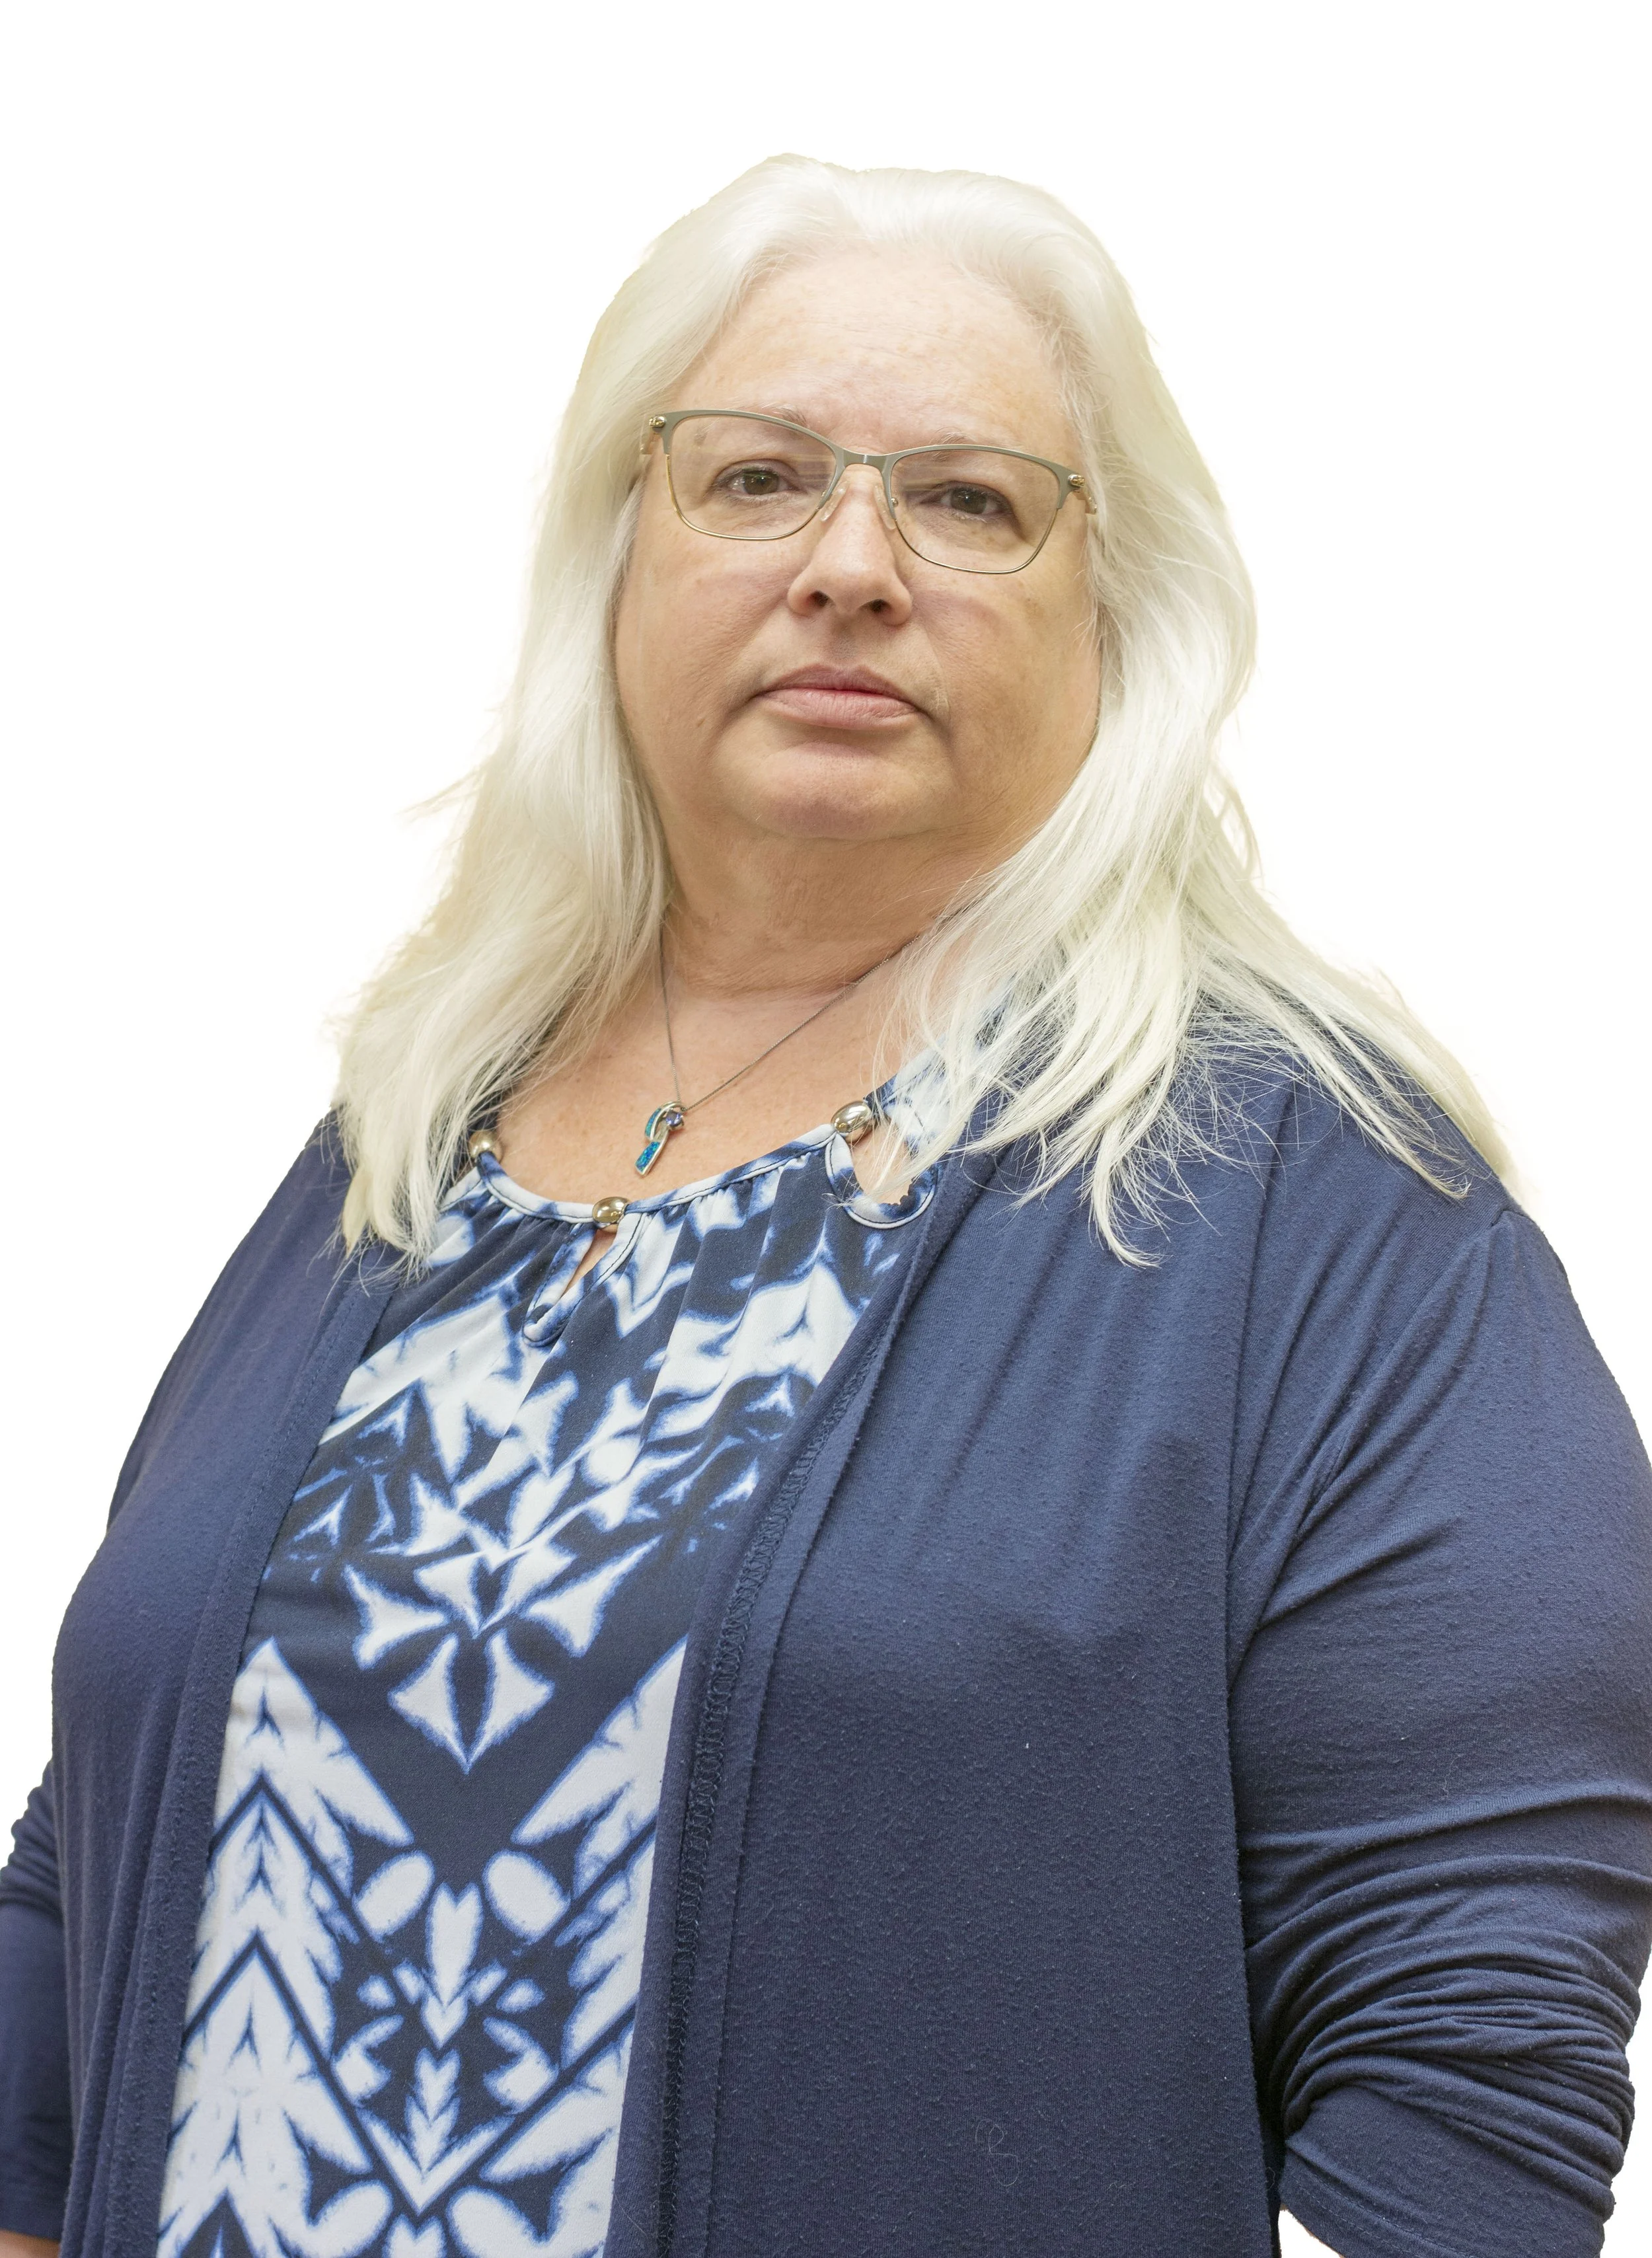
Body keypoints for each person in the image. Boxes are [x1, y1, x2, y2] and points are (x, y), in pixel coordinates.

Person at [1, 154, 1648, 2258]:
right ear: (615, 561)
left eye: (968, 499)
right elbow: (101, 1837)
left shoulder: (1323, 1222)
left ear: (1111, 612)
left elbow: (1467, 2076)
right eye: (756, 477)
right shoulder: (408, 1142)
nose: (851, 564)